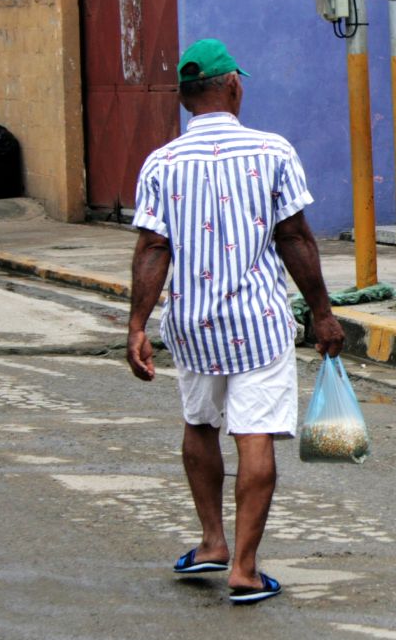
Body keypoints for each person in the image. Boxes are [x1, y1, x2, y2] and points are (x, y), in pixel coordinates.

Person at [126, 38, 344, 605]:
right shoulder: (272, 152)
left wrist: (137, 326)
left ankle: (212, 543)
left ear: (184, 98)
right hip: (259, 321)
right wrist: (322, 314)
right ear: (231, 86)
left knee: (200, 425)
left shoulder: (162, 162)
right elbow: (293, 237)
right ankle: (245, 569)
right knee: (254, 435)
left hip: (193, 322)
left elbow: (154, 247)